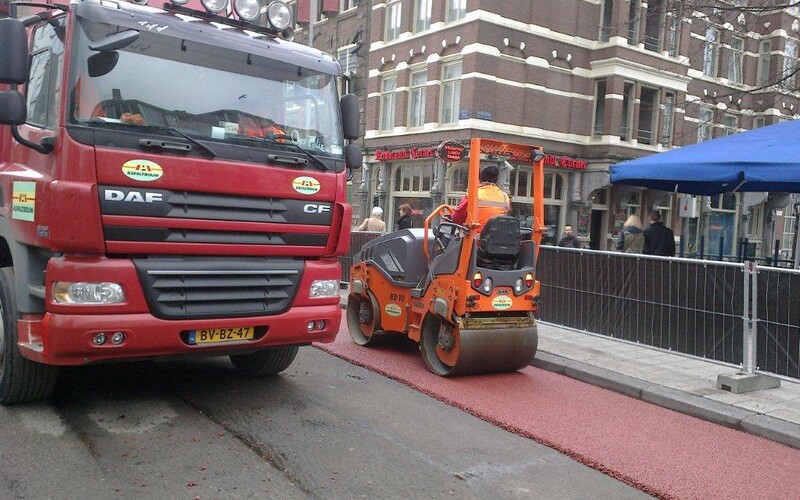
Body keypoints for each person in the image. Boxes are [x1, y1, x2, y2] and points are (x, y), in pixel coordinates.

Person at [450, 165, 510, 232]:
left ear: (479, 179)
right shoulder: (504, 196)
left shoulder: (473, 195)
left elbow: (456, 218)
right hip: (498, 239)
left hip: (474, 240)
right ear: (497, 180)